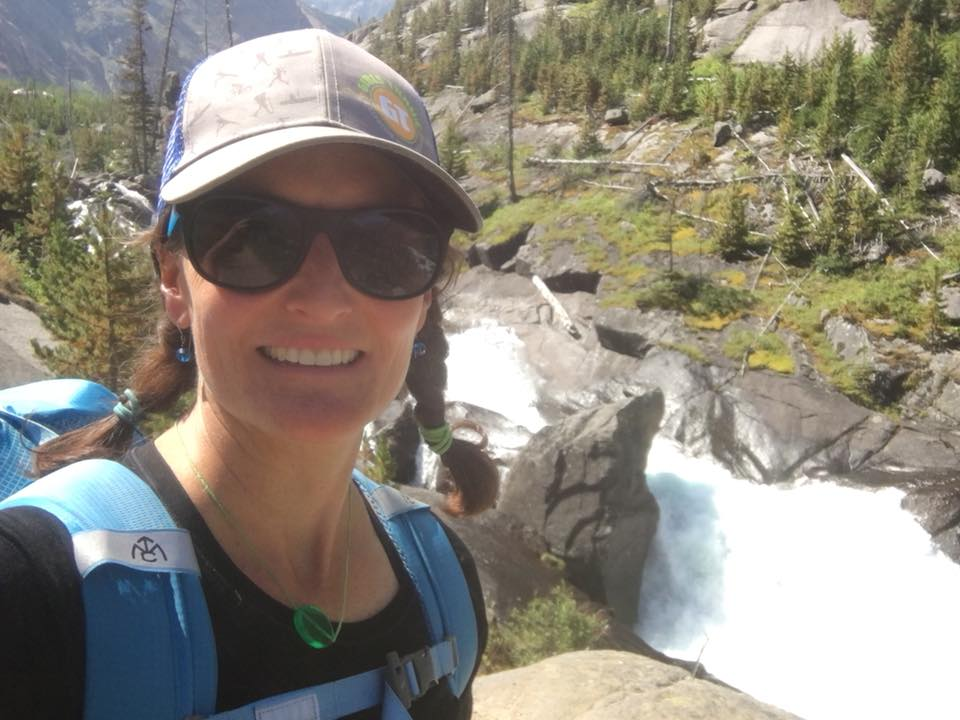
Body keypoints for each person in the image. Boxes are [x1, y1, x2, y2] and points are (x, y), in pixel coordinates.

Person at [0, 28, 498, 719]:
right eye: (254, 238)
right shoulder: (33, 594)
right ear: (174, 280)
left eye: (387, 244)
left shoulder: (443, 579)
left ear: (424, 300)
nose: (322, 300)